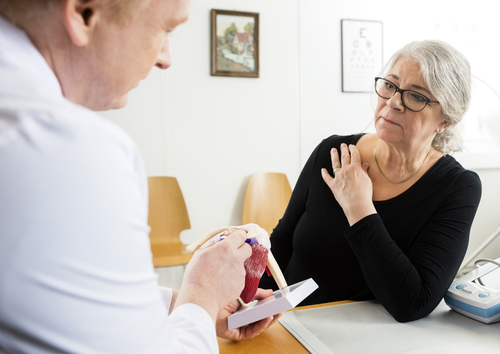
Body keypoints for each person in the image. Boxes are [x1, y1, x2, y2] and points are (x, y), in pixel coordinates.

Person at [0, 0, 280, 353]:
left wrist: (186, 307)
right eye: (164, 29)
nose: (165, 58)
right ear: (85, 13)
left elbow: (56, 294)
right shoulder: (65, 148)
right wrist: (203, 294)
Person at [259, 40, 482, 323]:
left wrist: (359, 208)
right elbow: (280, 244)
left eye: (416, 96)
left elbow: (413, 302)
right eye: (390, 85)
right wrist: (253, 311)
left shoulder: (458, 187)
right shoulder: (332, 153)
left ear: (446, 120)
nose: (393, 102)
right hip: (290, 327)